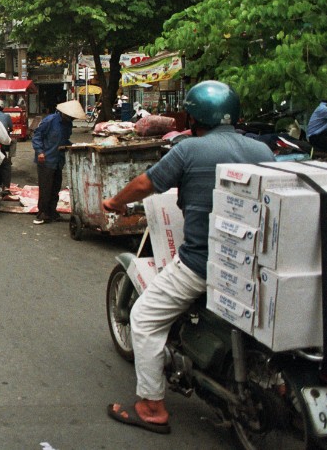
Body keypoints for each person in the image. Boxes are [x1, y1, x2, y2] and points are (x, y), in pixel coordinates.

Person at [103, 80, 274, 434]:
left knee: (145, 318)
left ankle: (151, 407)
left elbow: (142, 185)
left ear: (194, 116)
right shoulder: (264, 151)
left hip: (201, 263)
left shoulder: (188, 150)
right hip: (254, 263)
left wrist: (114, 202)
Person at [30, 99, 85, 224]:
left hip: (59, 159)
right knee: (46, 188)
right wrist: (40, 152)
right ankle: (42, 213)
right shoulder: (50, 120)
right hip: (46, 159)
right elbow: (37, 136)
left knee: (55, 187)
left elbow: (65, 140)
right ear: (65, 114)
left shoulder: (68, 124)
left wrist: (75, 146)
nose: (72, 119)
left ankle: (52, 212)